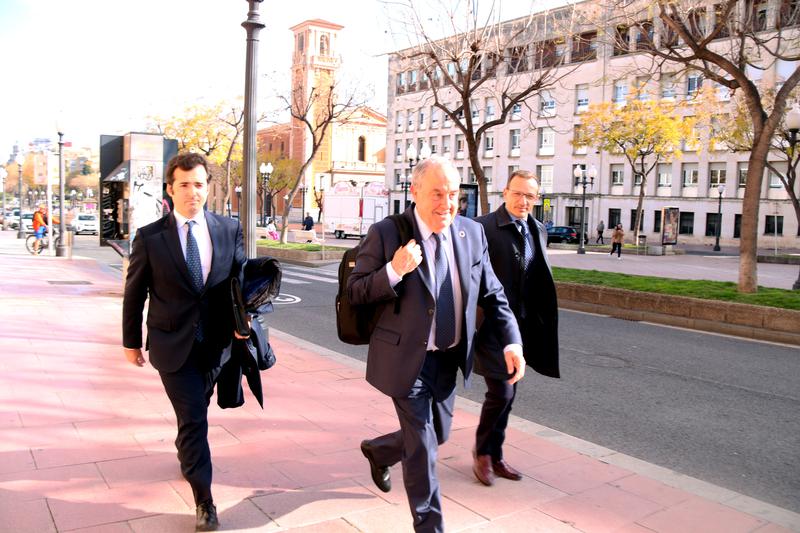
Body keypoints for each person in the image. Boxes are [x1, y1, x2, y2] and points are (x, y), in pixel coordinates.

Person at [348, 156, 525, 532]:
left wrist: (512, 342)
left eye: (454, 194)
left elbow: (493, 293)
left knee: (438, 433)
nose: (447, 203)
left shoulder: (471, 233)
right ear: (414, 192)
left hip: (448, 359)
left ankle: (379, 452)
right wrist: (394, 270)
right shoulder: (387, 233)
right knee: (423, 447)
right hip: (406, 360)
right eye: (437, 194)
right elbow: (356, 292)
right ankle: (430, 527)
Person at [122, 152, 247, 532]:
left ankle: (187, 450)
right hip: (171, 344)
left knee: (195, 414)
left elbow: (239, 284)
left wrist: (246, 320)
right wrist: (131, 342)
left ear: (208, 187)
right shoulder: (150, 237)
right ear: (170, 189)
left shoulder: (228, 229)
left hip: (216, 344)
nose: (193, 192)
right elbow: (134, 293)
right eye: (184, 185)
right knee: (194, 417)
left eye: (199, 184)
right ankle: (204, 501)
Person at [472, 170, 560, 486]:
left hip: (520, 329)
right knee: (502, 391)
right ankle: (483, 453)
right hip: (491, 325)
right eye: (518, 193)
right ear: (505, 192)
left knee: (509, 394)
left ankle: (495, 454)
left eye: (530, 196)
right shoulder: (482, 227)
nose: (524, 201)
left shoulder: (537, 229)